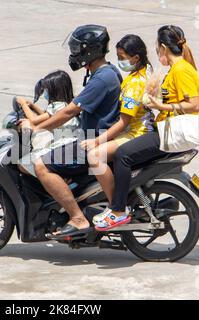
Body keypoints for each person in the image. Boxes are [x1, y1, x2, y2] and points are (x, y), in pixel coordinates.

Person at [94, 25, 199, 231]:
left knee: (123, 155)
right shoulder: (173, 69)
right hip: (164, 128)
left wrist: (162, 106)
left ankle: (118, 210)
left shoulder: (181, 70)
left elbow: (194, 104)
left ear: (162, 46)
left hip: (170, 132)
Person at [18, 24, 122, 237]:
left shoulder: (102, 78)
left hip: (92, 142)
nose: (74, 55)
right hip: (91, 138)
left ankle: (77, 218)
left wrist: (36, 127)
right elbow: (72, 109)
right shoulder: (107, 72)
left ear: (89, 50)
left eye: (77, 50)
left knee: (42, 166)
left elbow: (69, 112)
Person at [79, 34, 154, 228]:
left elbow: (123, 122)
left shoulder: (135, 83)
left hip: (136, 133)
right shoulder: (143, 72)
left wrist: (97, 141)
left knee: (95, 156)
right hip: (136, 129)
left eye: (122, 57)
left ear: (135, 58)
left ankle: (117, 209)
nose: (119, 61)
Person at [16, 70, 80, 176]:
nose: (45, 92)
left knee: (23, 163)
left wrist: (23, 104)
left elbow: (34, 120)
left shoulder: (58, 105)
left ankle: (52, 178)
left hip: (63, 145)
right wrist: (32, 106)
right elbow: (48, 118)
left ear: (54, 90)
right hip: (68, 144)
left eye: (46, 89)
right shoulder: (67, 103)